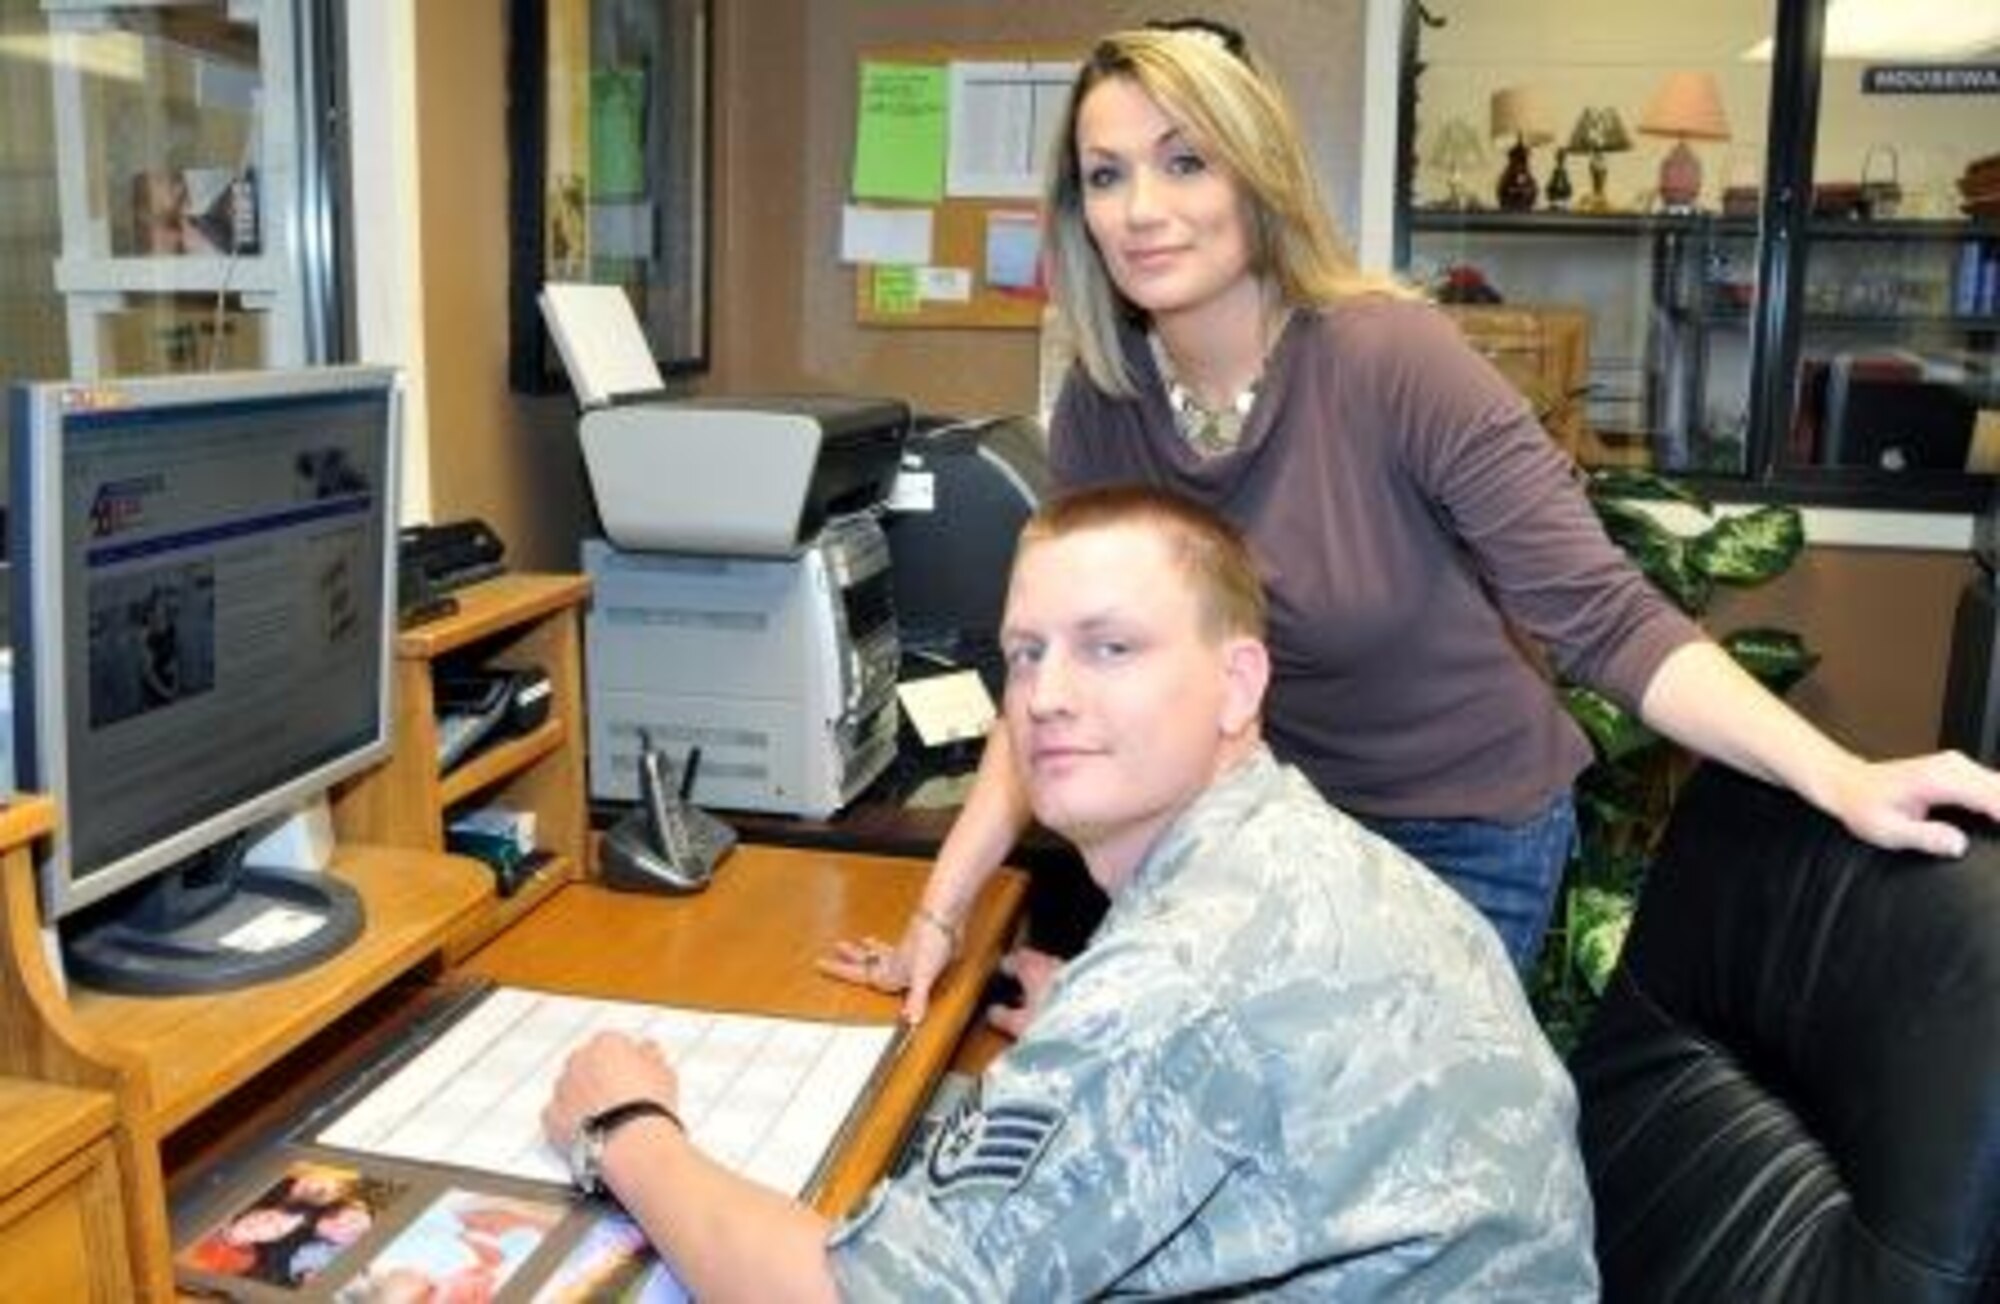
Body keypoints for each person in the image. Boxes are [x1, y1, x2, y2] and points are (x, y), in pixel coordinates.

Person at [840, 20, 2000, 999]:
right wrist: (937, 924)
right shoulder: (1106, 402)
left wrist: (1841, 774)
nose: (1142, 207)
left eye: (1184, 161)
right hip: (1263, 830)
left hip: (1459, 830)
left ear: (1257, 175)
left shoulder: (1387, 356)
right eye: (1105, 174)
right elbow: (1056, 681)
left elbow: (1600, 613)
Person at [544, 486, 1598, 1299]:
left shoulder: (1182, 983)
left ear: (1237, 685)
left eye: (1110, 647)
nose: (1044, 695)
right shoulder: (1288, 848)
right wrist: (1097, 1036)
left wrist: (627, 1124)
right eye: (1025, 652)